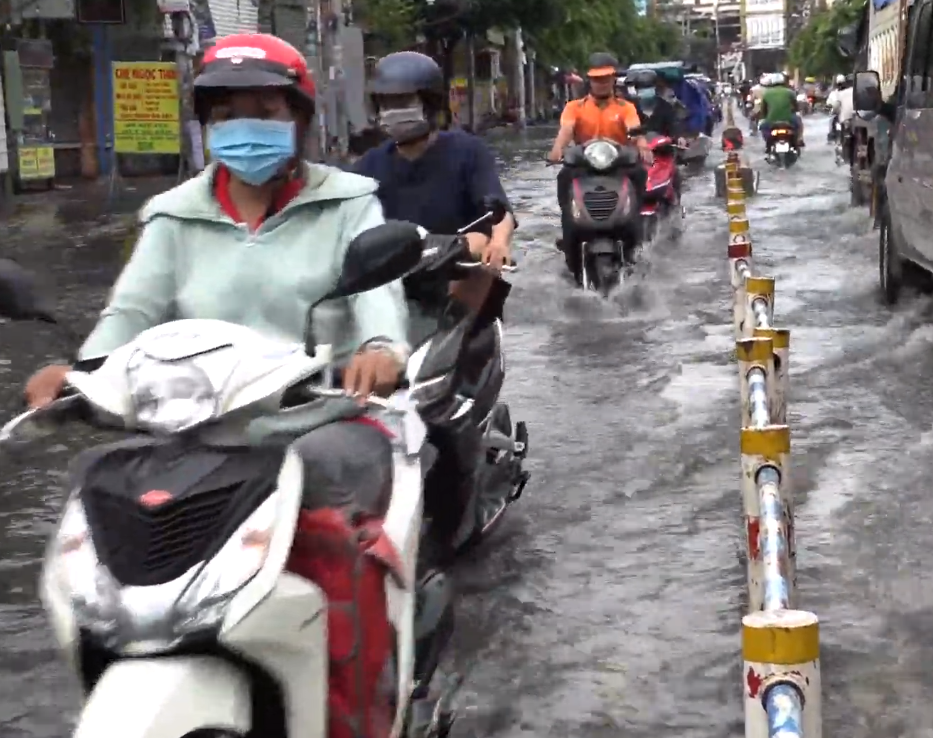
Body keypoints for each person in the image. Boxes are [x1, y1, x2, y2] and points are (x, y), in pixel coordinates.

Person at [23, 33, 408, 738]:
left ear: (298, 118)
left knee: (323, 502)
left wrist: (379, 349)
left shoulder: (349, 203)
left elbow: (376, 299)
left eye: (264, 110)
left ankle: (358, 711)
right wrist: (80, 376)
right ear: (206, 125)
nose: (245, 127)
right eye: (227, 114)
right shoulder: (173, 215)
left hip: (316, 418)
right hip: (196, 429)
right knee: (95, 480)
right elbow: (129, 315)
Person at [353, 50, 516, 567]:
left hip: (457, 284)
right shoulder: (368, 168)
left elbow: (498, 212)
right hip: (388, 294)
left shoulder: (467, 152)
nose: (394, 112)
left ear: (430, 104)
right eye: (386, 103)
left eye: (404, 101)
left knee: (443, 402)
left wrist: (496, 243)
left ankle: (458, 496)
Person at [547, 52, 650, 283]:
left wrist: (642, 145)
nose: (601, 83)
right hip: (583, 166)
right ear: (589, 80)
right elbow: (566, 130)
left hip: (619, 166)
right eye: (596, 79)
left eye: (605, 78)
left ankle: (636, 227)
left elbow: (634, 130)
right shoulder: (575, 107)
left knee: (640, 173)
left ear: (613, 79)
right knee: (564, 178)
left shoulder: (625, 107)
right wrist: (557, 149)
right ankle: (569, 228)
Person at [627, 68, 681, 142]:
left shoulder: (665, 107)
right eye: (642, 88)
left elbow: (674, 127)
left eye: (649, 87)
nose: (645, 90)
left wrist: (678, 137)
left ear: (655, 87)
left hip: (662, 145)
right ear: (636, 90)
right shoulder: (630, 108)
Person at [760, 72, 804, 149]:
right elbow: (796, 107)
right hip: (788, 119)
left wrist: (764, 117)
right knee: (799, 124)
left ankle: (768, 143)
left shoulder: (766, 93)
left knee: (763, 127)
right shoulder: (790, 92)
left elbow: (763, 109)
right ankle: (799, 139)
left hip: (771, 120)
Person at [826, 74, 853, 143]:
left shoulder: (838, 93)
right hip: (851, 116)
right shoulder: (853, 91)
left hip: (845, 117)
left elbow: (836, 106)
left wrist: (834, 111)